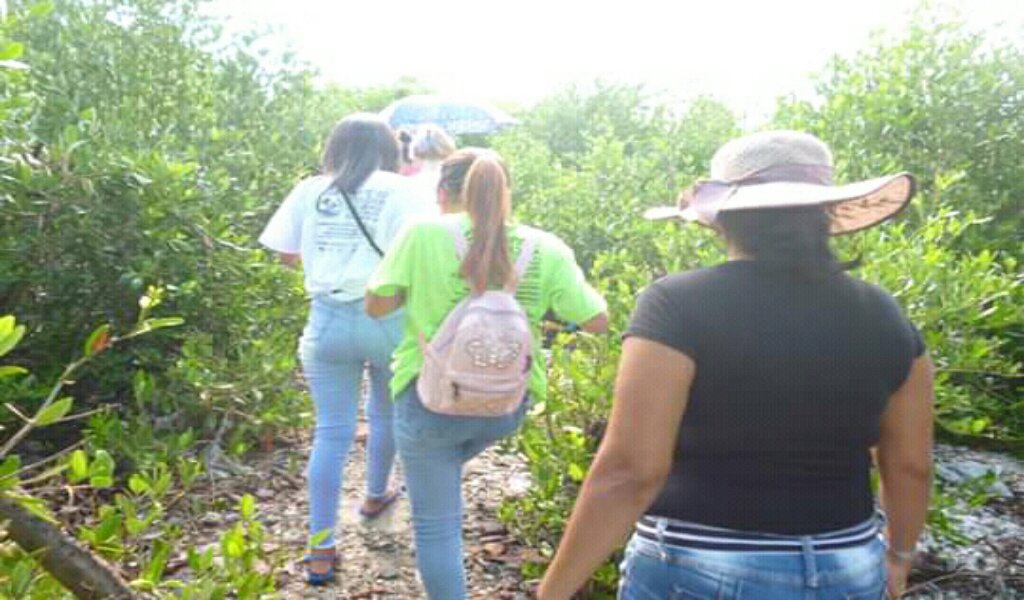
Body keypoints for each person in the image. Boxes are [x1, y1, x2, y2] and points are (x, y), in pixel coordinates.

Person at [538, 130, 934, 600]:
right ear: (825, 215)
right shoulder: (886, 314)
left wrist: (554, 590)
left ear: (722, 219)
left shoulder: (676, 304)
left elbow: (630, 470)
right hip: (846, 564)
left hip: (701, 565)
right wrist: (898, 557)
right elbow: (909, 464)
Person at [365, 149, 609, 599]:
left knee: (436, 526)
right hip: (505, 404)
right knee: (444, 464)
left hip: (429, 400)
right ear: (507, 192)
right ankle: (437, 476)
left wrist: (421, 294)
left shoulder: (421, 234)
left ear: (450, 190)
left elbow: (376, 303)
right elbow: (597, 320)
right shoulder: (546, 247)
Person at [258, 113, 426, 586]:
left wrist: (328, 263)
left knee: (330, 432)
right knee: (386, 411)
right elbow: (425, 253)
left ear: (335, 148)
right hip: (390, 317)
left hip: (327, 320)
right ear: (389, 148)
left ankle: (320, 549)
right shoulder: (403, 190)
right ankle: (375, 496)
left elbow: (285, 253)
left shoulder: (311, 189)